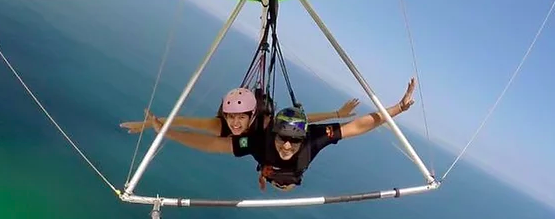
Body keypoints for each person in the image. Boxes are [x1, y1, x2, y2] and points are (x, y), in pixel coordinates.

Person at [142, 77, 417, 191]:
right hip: (271, 172)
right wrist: (166, 132)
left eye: (293, 140)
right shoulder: (259, 141)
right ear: (273, 133)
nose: (287, 145)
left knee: (284, 179)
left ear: (302, 138)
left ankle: (275, 178)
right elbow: (212, 144)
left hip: (288, 177)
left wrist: (398, 109)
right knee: (223, 131)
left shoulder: (313, 138)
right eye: (282, 138)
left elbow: (359, 126)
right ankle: (270, 176)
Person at [121, 87, 359, 138]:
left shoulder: (266, 123)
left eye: (239, 118)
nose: (234, 123)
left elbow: (303, 120)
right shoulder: (220, 125)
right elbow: (182, 121)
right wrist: (144, 125)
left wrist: (338, 113)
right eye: (231, 117)